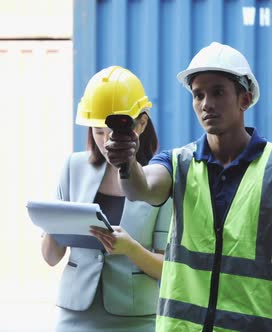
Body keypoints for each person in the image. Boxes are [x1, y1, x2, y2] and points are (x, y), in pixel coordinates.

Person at [105, 42, 272, 332]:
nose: (206, 103)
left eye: (218, 92)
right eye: (198, 95)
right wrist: (127, 162)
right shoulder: (177, 163)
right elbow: (141, 188)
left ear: (245, 99)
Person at [41, 65, 172, 332]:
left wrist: (131, 248)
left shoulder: (160, 180)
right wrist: (53, 225)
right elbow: (51, 257)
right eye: (97, 132)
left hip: (136, 319)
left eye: (112, 132)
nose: (105, 141)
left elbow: (167, 269)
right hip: (75, 314)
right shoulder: (73, 168)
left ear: (141, 123)